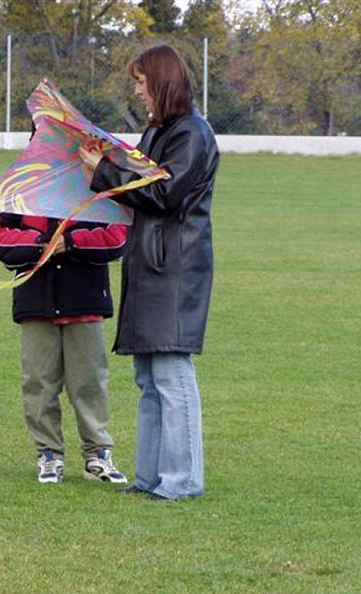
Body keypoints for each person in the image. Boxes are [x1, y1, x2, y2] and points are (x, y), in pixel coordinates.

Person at [78, 45, 220, 501]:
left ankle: (181, 482)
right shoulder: (159, 132)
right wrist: (105, 162)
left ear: (160, 82)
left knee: (172, 374)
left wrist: (105, 171)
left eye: (141, 82)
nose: (137, 91)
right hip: (149, 264)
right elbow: (138, 179)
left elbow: (162, 192)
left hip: (175, 268)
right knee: (148, 378)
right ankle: (151, 479)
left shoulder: (192, 134)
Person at [0, 201, 128, 484]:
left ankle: (97, 453)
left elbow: (117, 236)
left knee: (88, 380)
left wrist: (71, 243)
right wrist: (42, 244)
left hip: (85, 298)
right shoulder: (22, 191)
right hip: (35, 301)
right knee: (38, 381)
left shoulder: (98, 189)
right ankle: (49, 454)